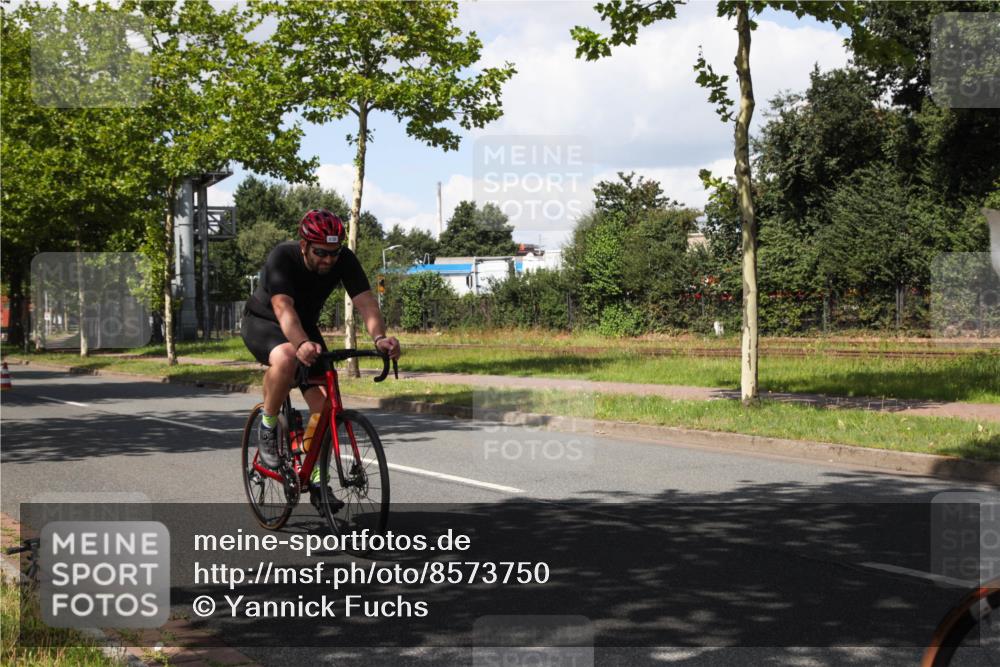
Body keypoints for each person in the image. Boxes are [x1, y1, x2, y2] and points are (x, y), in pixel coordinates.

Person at [241, 209, 401, 514]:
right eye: (320, 253)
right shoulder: (282, 257)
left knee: (326, 405)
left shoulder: (344, 259)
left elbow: (365, 301)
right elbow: (282, 306)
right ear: (304, 245)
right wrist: (300, 344)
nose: (328, 260)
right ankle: (268, 427)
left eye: (334, 252)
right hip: (265, 322)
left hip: (305, 328)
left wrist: (379, 338)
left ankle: (316, 478)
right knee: (287, 357)